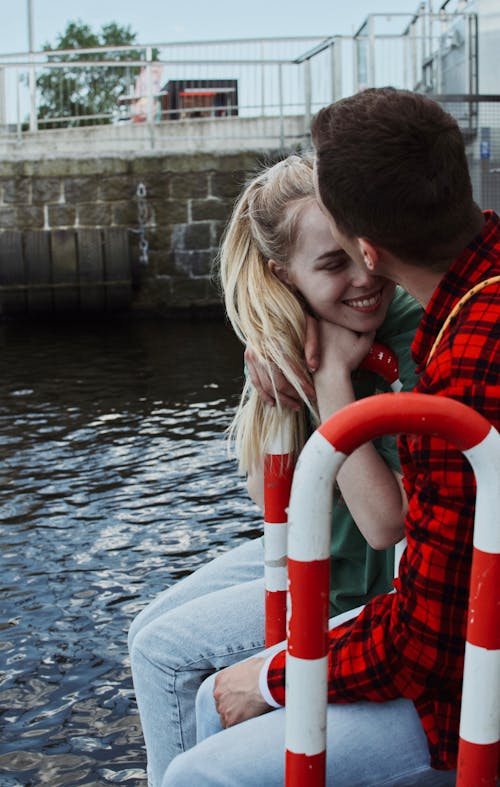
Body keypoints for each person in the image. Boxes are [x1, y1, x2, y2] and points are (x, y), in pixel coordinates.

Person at [162, 89, 500, 786]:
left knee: (201, 770)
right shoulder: (470, 304)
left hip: (470, 701)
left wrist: (273, 678)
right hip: (451, 639)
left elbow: (425, 645)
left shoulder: (460, 367)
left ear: (370, 251)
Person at [128, 153, 421, 786]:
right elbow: (272, 500)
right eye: (331, 263)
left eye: (362, 250)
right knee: (148, 634)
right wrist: (272, 353)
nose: (365, 275)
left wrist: (330, 381)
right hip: (325, 551)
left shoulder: (403, 330)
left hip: (365, 577)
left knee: (169, 659)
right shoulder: (292, 328)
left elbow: (385, 525)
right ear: (282, 275)